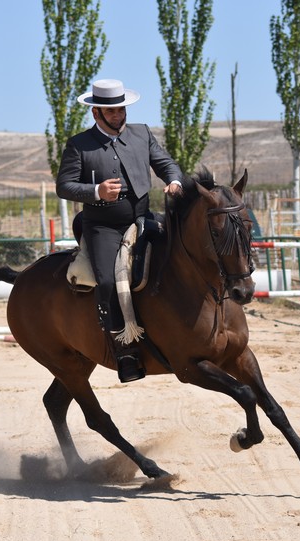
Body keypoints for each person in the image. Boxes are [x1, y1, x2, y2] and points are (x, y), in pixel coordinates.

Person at [55, 78, 183, 382]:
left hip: (142, 218)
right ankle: (124, 353)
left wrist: (174, 180)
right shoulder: (79, 144)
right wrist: (97, 190)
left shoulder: (142, 133)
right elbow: (64, 186)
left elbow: (166, 164)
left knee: (179, 259)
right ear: (96, 113)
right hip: (102, 226)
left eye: (121, 109)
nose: (119, 115)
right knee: (109, 282)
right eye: (111, 111)